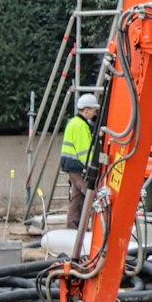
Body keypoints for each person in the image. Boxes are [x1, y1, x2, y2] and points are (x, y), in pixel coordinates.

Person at [59, 93, 98, 229]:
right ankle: (96, 229)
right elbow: (84, 152)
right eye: (94, 110)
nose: (95, 113)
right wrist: (94, 167)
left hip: (72, 167)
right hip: (79, 167)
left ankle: (73, 228)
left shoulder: (74, 123)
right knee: (92, 196)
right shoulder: (81, 126)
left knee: (77, 199)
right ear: (86, 110)